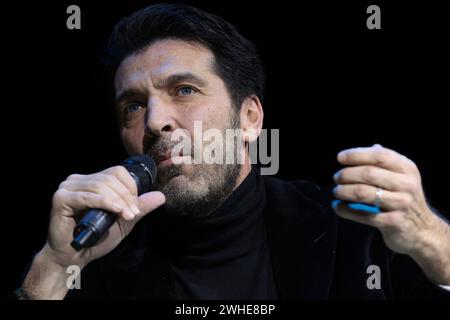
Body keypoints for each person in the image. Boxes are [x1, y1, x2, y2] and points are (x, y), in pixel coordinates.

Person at [15, 4, 450, 300]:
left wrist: (432, 240)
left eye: (184, 90)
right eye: (133, 105)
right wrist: (53, 268)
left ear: (249, 119)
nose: (153, 122)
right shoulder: (94, 265)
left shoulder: (355, 233)